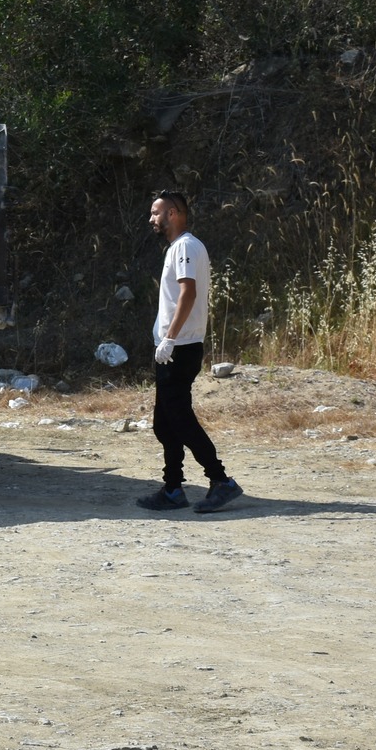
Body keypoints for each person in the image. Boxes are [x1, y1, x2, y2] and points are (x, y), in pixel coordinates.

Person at [135, 192, 244, 513]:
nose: (151, 219)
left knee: (179, 419)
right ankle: (173, 490)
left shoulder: (184, 246)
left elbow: (188, 293)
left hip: (179, 348)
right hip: (176, 347)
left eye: (155, 213)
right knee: (165, 423)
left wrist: (169, 338)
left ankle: (221, 481)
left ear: (172, 213)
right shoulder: (180, 247)